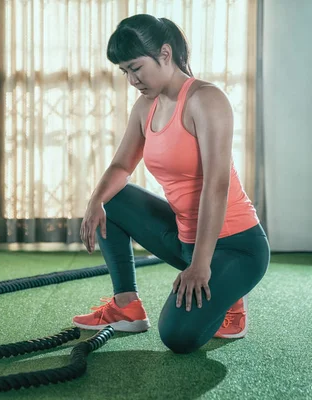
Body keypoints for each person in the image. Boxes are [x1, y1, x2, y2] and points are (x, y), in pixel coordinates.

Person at [74, 14, 270, 354]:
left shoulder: (206, 100)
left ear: (165, 54)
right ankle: (126, 305)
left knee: (177, 338)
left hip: (236, 246)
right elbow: (122, 165)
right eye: (125, 72)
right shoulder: (145, 106)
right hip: (185, 240)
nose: (132, 80)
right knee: (111, 199)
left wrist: (200, 266)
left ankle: (231, 293)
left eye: (136, 68)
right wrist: (94, 202)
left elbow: (217, 185)